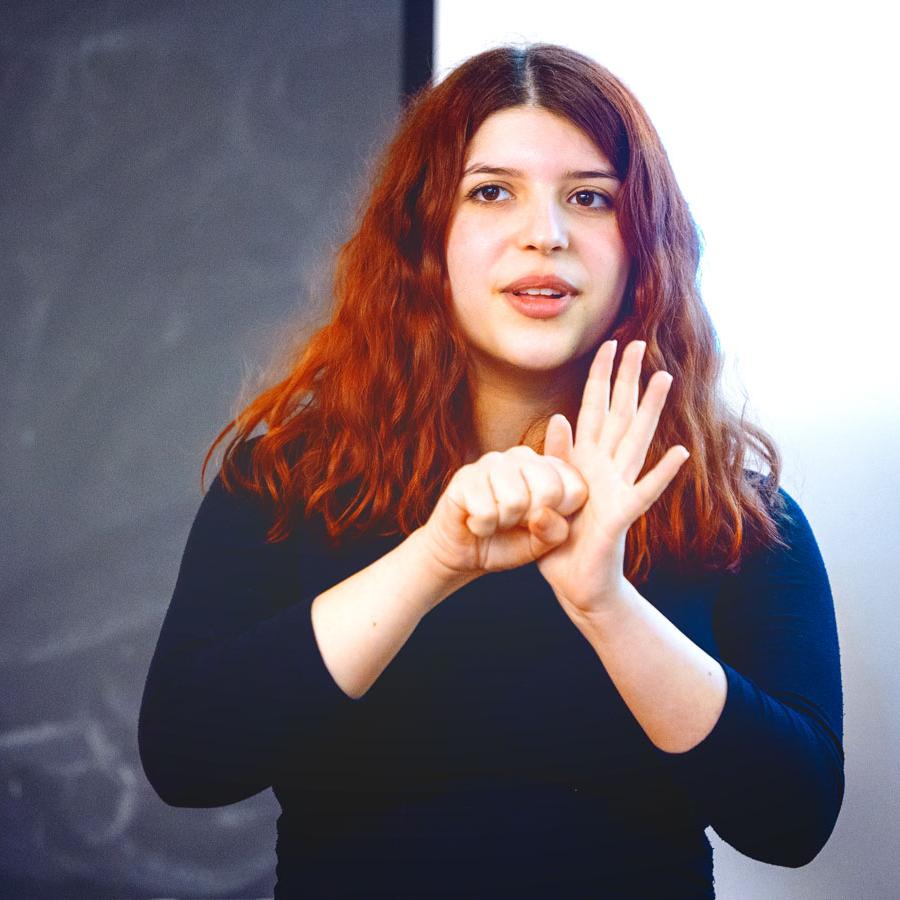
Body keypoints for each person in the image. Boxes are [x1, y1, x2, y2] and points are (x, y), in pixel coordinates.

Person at [138, 43, 844, 898]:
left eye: (590, 198)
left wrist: (605, 606)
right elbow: (188, 759)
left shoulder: (732, 508)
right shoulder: (290, 479)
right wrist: (433, 560)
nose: (544, 234)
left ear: (642, 244)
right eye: (491, 191)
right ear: (423, 234)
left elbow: (794, 822)